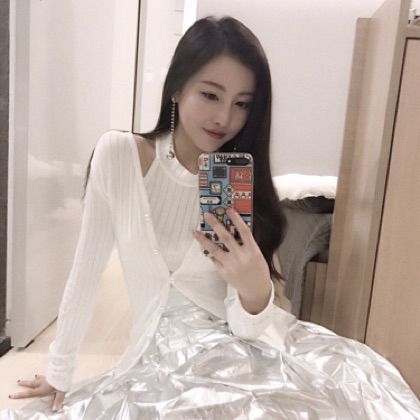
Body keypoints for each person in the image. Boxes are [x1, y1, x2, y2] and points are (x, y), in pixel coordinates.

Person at [4, 16, 420, 420]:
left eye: (242, 104)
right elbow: (86, 269)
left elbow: (249, 327)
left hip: (242, 348)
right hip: (160, 359)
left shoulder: (237, 183)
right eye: (210, 95)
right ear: (176, 87)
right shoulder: (119, 156)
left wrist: (255, 289)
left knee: (343, 398)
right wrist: (59, 372)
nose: (224, 118)